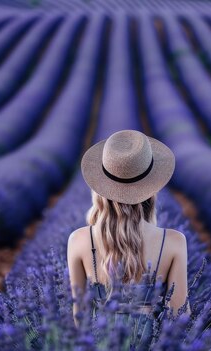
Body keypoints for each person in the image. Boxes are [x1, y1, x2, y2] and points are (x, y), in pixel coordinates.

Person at [67, 129, 191, 347]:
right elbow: (179, 314)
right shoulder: (173, 242)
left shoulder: (78, 240)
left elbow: (79, 315)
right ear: (151, 188)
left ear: (100, 187)